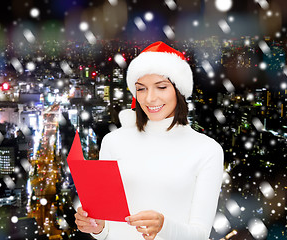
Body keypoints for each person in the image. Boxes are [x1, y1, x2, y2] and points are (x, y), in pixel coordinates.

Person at [74, 41, 224, 240]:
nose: (150, 98)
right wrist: (97, 227)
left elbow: (200, 235)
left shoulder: (207, 150)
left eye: (161, 87)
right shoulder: (113, 142)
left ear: (179, 91)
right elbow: (107, 230)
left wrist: (164, 226)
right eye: (141, 89)